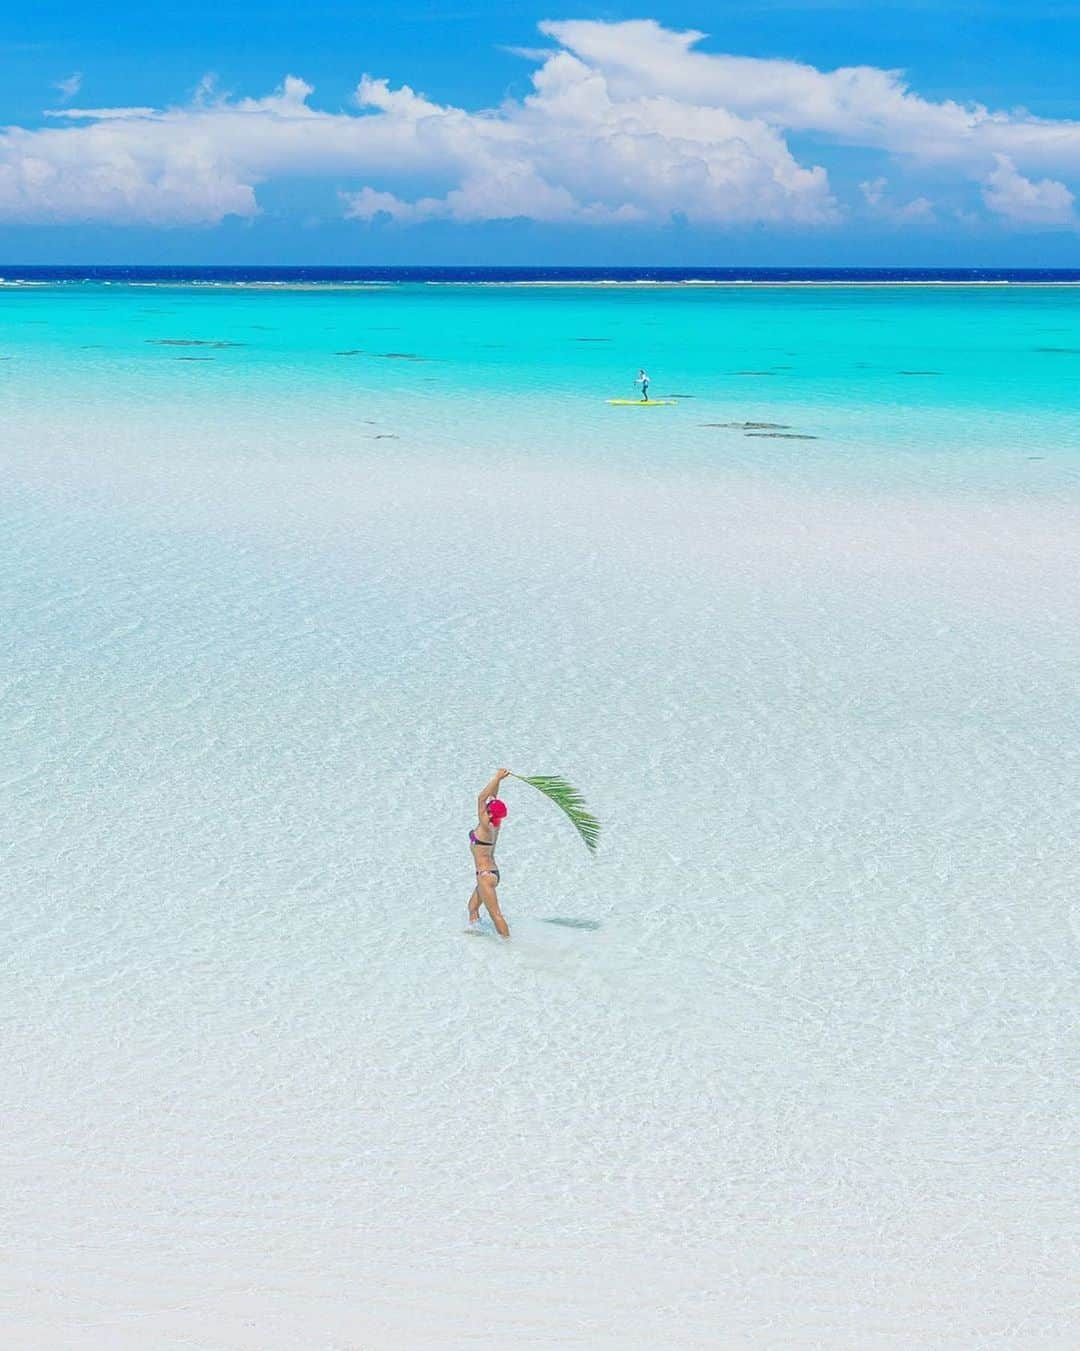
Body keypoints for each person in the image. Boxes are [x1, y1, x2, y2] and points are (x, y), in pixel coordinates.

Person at [468, 768, 511, 937]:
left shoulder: (485, 826)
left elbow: (481, 798)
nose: (486, 808)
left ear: (490, 812)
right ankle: (476, 935)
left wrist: (496, 776)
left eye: (488, 808)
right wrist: (499, 781)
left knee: (496, 915)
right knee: (472, 907)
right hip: (491, 873)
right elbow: (492, 798)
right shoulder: (495, 823)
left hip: (485, 875)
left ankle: (509, 944)